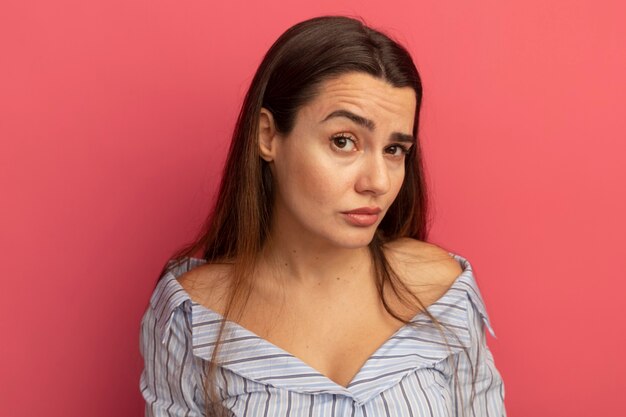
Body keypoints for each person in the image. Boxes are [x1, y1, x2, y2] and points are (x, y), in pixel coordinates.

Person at [139, 15, 506, 417]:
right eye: (344, 141)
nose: (378, 182)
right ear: (267, 137)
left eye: (394, 149)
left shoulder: (440, 290)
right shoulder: (192, 318)